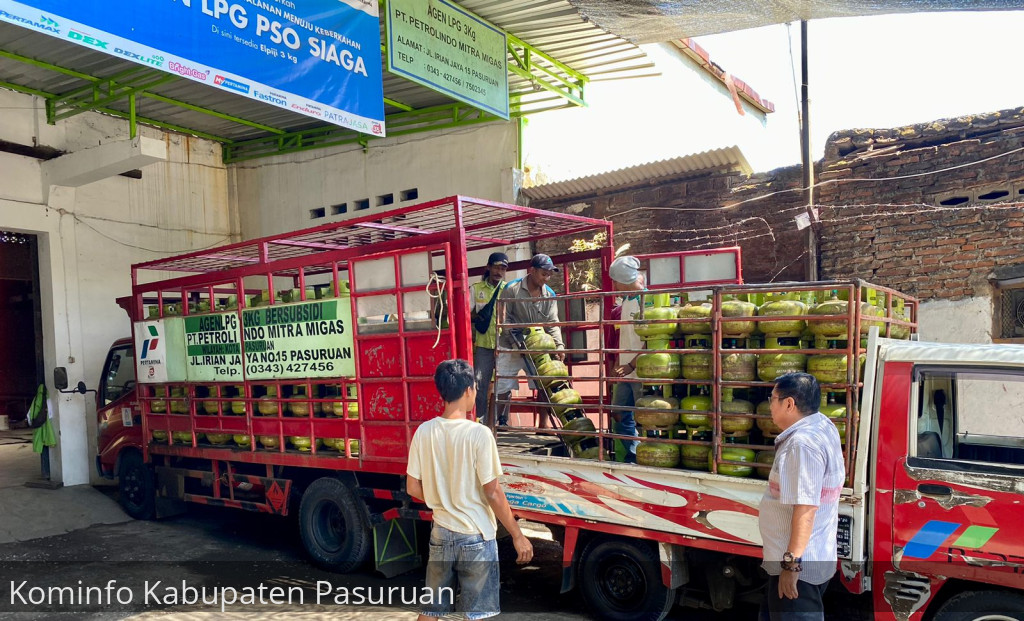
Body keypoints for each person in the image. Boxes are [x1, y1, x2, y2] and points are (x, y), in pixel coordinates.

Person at [406, 359, 534, 620]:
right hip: (476, 537)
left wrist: (441, 497)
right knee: (476, 615)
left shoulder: (423, 432)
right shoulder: (479, 434)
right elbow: (493, 492)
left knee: (431, 610)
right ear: (468, 391)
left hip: (441, 532)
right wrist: (517, 534)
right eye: (475, 387)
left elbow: (413, 488)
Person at [759, 372, 845, 621]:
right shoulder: (822, 424)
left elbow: (806, 509)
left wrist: (791, 565)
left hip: (801, 568)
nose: (770, 405)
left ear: (789, 404)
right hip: (812, 558)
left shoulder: (802, 445)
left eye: (772, 398)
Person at [494, 254, 565, 427]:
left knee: (543, 384)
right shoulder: (512, 288)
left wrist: (559, 345)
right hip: (510, 345)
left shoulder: (549, 294)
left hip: (538, 346)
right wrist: (515, 342)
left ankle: (543, 425)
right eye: (543, 274)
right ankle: (495, 424)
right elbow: (503, 318)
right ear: (532, 270)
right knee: (503, 384)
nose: (546, 278)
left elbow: (552, 322)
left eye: (549, 274)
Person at [608, 256, 645, 463]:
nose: (613, 285)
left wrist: (632, 364)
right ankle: (634, 452)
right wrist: (619, 364)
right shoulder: (626, 301)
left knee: (644, 418)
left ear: (623, 279)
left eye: (615, 280)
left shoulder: (645, 300)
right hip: (624, 370)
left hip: (641, 370)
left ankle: (642, 455)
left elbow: (652, 340)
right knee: (619, 414)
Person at [469, 252, 509, 425]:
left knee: (506, 384)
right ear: (488, 267)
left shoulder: (509, 289)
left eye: (503, 268)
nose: (499, 271)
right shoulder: (476, 289)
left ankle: (500, 422)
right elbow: (466, 314)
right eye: (496, 267)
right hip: (484, 344)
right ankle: (480, 422)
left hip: (504, 344)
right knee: (479, 383)